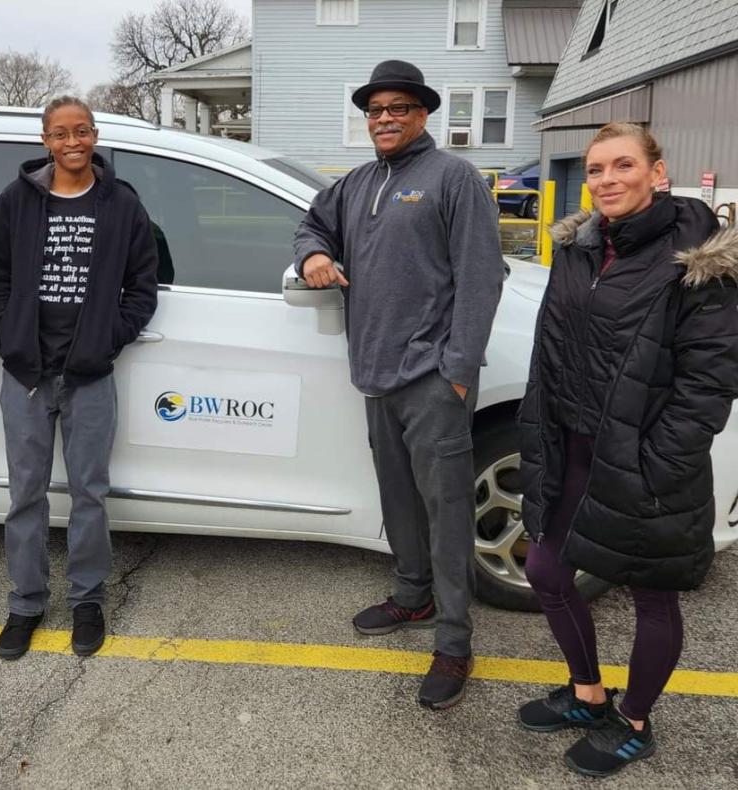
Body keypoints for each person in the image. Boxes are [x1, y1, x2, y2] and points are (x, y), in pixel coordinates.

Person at [516, 122, 738, 777]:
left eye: (622, 165)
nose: (607, 180)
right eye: (596, 169)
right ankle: (588, 694)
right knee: (546, 573)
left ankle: (635, 720)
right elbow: (552, 351)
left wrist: (659, 463)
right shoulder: (581, 248)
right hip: (573, 449)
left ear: (656, 173)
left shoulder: (697, 257)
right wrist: (541, 426)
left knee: (652, 596)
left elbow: (710, 379)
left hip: (646, 460)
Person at [293, 60, 504, 709]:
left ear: (423, 114)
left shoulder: (454, 179)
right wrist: (315, 256)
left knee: (445, 514)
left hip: (432, 380)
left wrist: (458, 373)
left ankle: (454, 643)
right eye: (376, 109)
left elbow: (482, 277)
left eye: (399, 108)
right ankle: (412, 599)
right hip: (376, 376)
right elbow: (311, 224)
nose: (385, 118)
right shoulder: (356, 184)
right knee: (400, 502)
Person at [0, 96, 158, 660]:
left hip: (88, 374)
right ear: (45, 140)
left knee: (90, 493)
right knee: (25, 494)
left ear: (95, 135)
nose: (73, 142)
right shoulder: (16, 202)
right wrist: (9, 330)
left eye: (82, 131)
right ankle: (26, 603)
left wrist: (110, 337)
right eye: (61, 133)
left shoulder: (122, 205)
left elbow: (142, 287)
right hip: (27, 374)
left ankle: (87, 600)